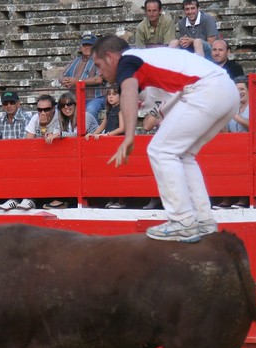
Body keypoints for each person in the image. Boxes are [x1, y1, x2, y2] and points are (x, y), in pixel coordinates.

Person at [92, 35, 239, 242]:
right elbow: (153, 114)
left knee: (160, 150)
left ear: (109, 57)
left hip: (205, 89)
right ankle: (203, 219)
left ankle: (182, 221)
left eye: (98, 64)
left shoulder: (127, 60)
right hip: (227, 90)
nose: (99, 72)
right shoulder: (149, 62)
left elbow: (128, 90)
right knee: (184, 154)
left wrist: (129, 136)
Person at [216, 75, 256, 209]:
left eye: (242, 89)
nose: (239, 92)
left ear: (249, 90)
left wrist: (232, 115)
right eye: (236, 90)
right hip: (240, 147)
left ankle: (244, 197)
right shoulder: (233, 107)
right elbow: (226, 134)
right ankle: (229, 195)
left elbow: (253, 126)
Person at [0, 91, 33, 212]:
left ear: (18, 104)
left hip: (23, 157)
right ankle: (11, 198)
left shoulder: (25, 119)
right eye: (5, 103)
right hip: (6, 158)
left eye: (12, 102)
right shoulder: (0, 121)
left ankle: (23, 197)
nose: (8, 105)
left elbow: (24, 145)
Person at [85, 87, 126, 209]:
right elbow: (103, 124)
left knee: (119, 171)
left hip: (118, 141)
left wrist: (106, 135)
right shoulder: (110, 110)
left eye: (114, 94)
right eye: (109, 95)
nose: (111, 97)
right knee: (111, 171)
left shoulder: (121, 109)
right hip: (110, 142)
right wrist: (94, 133)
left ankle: (121, 200)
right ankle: (112, 198)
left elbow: (122, 128)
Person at [59, 33, 106, 121]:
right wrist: (64, 80)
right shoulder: (75, 60)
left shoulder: (100, 60)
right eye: (84, 45)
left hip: (95, 98)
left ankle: (91, 133)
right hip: (75, 98)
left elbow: (99, 79)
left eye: (89, 45)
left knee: (90, 111)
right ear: (81, 47)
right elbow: (61, 75)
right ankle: (66, 133)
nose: (86, 47)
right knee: (60, 107)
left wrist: (77, 81)